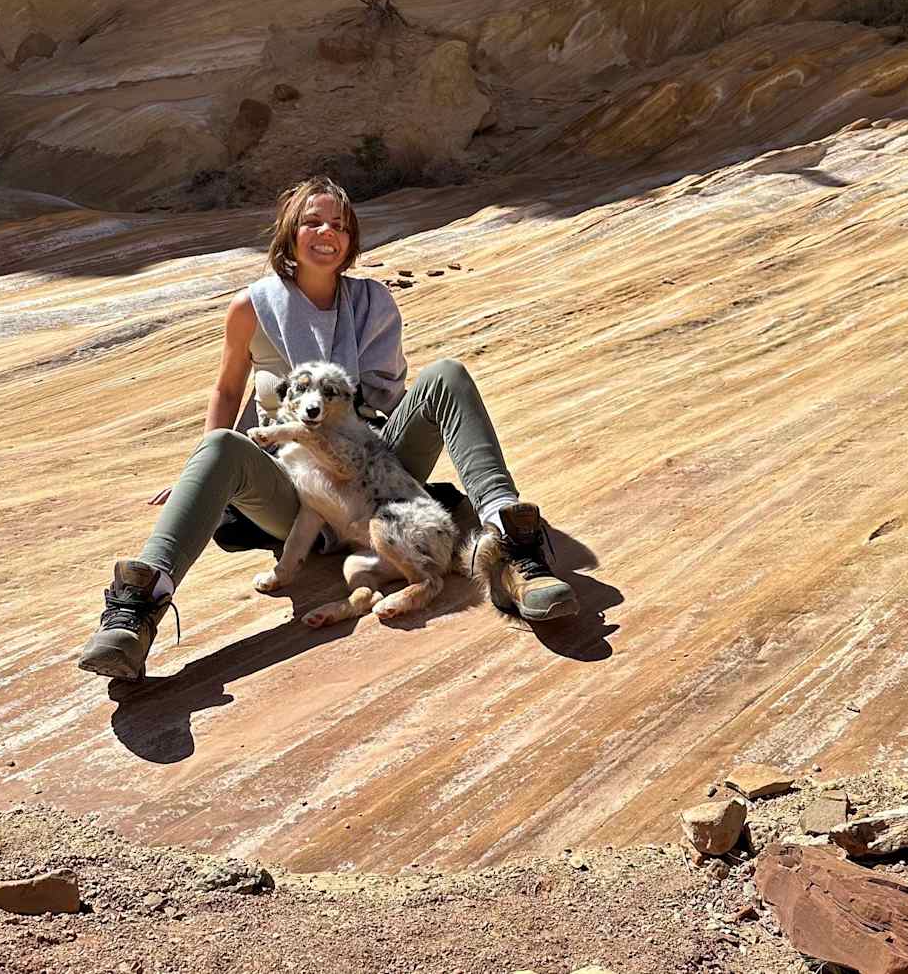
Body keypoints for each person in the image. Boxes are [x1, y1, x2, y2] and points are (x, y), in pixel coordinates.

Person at [77, 175, 578, 680]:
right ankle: (137, 612)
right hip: (296, 490)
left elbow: (390, 395)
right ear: (289, 233)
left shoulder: (373, 302)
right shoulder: (250, 308)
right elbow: (228, 392)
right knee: (222, 446)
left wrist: (412, 429)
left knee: (446, 373)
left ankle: (510, 550)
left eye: (338, 225)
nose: (326, 232)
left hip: (374, 468)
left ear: (351, 239)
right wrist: (197, 472)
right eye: (312, 221)